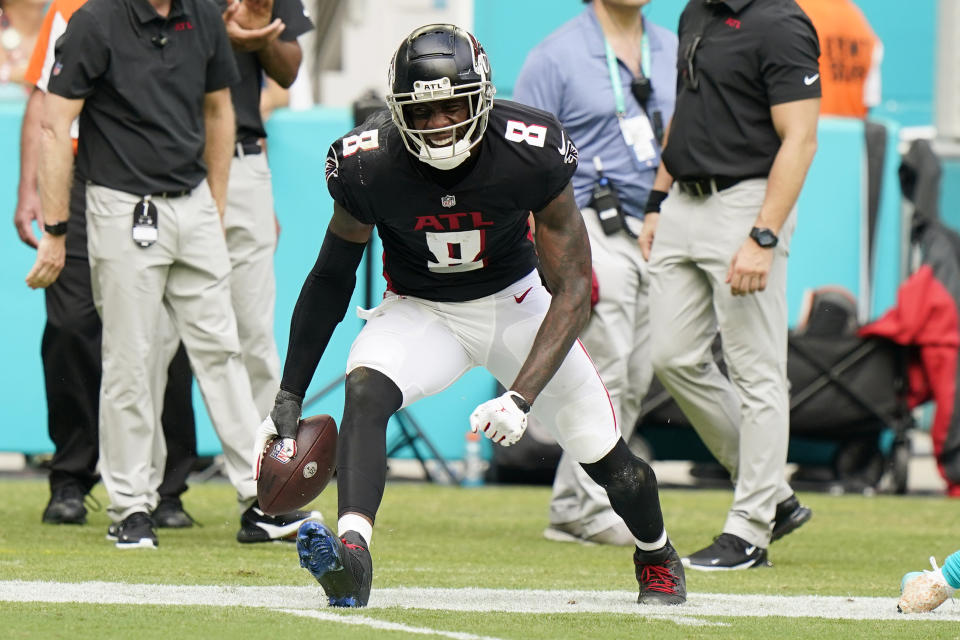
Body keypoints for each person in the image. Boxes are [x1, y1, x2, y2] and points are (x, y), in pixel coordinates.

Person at [253, 23, 687, 607]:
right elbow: (331, 279)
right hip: (422, 310)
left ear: (481, 99)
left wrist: (521, 397)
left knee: (608, 460)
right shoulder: (369, 163)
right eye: (422, 111)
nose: (439, 125)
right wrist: (290, 392)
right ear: (397, 110)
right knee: (365, 389)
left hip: (517, 304)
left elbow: (576, 289)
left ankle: (656, 554)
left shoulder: (528, 150)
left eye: (452, 106)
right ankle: (353, 557)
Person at [25, 0, 318, 548]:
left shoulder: (203, 16)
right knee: (131, 358)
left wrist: (217, 202)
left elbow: (217, 111)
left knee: (223, 352)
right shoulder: (95, 21)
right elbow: (54, 123)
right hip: (120, 207)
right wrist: (57, 228)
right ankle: (131, 508)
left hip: (194, 203)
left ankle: (260, 500)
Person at [639, 0, 820, 570]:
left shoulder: (783, 23)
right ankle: (774, 497)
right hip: (683, 205)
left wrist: (762, 237)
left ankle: (750, 530)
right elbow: (685, 112)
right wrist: (655, 198)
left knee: (757, 371)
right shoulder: (696, 12)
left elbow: (801, 139)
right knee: (671, 356)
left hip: (746, 204)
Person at [14, 0, 198, 530]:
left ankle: (166, 487)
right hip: (72, 180)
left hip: (148, 181)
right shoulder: (73, 8)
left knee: (165, 332)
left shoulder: (186, 13)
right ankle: (71, 476)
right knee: (71, 324)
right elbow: (43, 103)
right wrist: (30, 189)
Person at [513, 0, 677, 547]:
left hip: (656, 227)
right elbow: (519, 158)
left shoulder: (671, 48)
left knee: (635, 372)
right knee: (606, 369)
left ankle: (581, 499)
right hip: (587, 225)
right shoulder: (553, 56)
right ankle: (582, 505)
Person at [220, 0, 313, 419]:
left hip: (242, 163)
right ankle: (155, 481)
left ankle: (266, 470)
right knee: (160, 338)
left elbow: (288, 69)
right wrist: (216, 36)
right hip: (165, 164)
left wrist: (259, 34)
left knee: (254, 332)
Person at [795, 0, 882, 119]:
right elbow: (870, 99)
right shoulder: (859, 21)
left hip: (807, 129)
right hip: (851, 133)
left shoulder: (795, 12)